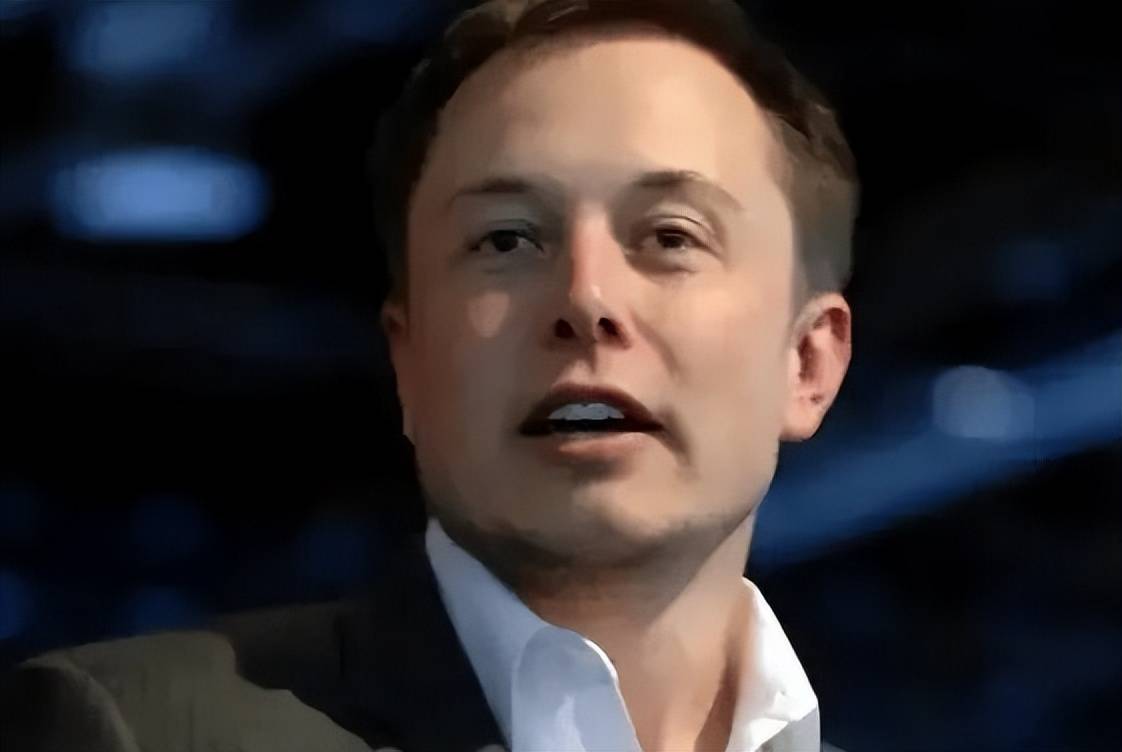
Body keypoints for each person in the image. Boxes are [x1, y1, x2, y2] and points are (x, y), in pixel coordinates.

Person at [0, 0, 856, 750]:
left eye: (671, 236)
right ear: (407, 363)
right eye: (506, 239)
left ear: (808, 362)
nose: (587, 296)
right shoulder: (140, 730)